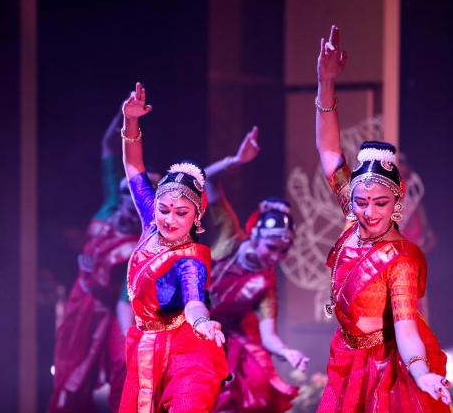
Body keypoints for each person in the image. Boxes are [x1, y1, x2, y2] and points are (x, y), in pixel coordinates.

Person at [314, 25, 451, 412]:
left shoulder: (401, 259)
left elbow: (407, 329)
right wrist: (325, 82)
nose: (368, 213)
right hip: (345, 356)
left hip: (384, 365)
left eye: (379, 203)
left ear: (396, 201)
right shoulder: (354, 209)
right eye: (360, 202)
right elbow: (328, 151)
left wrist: (421, 371)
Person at [118, 82, 228, 413]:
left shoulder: (190, 260)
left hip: (184, 346)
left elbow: (194, 302)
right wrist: (131, 121)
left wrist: (202, 323)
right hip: (144, 343)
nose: (169, 219)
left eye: (181, 213)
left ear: (197, 216)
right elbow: (134, 168)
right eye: (164, 209)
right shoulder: (151, 221)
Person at [49, 106, 154, 413]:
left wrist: (130, 335)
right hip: (82, 300)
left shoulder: (140, 245)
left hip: (112, 310)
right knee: (71, 373)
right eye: (125, 200)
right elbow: (109, 145)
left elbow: (126, 296)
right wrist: (126, 116)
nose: (127, 208)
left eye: (134, 204)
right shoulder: (109, 204)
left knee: (122, 363)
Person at [204, 126, 309, 413]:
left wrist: (286, 351)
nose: (275, 256)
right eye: (271, 247)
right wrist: (235, 161)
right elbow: (208, 179)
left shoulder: (266, 283)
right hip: (189, 325)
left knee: (253, 384)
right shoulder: (230, 237)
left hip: (226, 335)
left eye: (283, 250)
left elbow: (268, 334)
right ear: (255, 235)